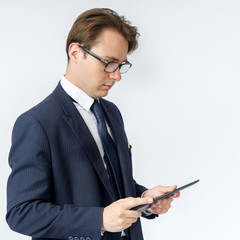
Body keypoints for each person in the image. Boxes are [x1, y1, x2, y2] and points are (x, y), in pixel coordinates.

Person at [6, 8, 180, 240]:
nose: (117, 76)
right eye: (109, 63)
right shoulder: (36, 123)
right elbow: (22, 213)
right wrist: (99, 220)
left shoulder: (111, 112)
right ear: (76, 52)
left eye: (121, 65)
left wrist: (146, 199)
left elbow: (110, 184)